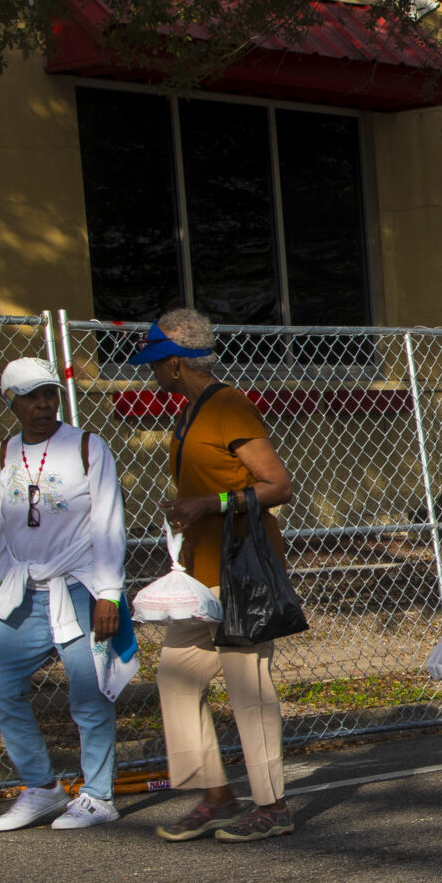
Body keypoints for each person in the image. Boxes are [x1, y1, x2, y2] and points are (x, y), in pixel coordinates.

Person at [130, 308, 300, 841]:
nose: (151, 374)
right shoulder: (186, 413)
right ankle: (217, 795)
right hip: (199, 576)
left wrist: (212, 502)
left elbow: (277, 485)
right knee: (176, 679)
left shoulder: (227, 405)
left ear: (176, 363)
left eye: (156, 364)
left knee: (248, 687)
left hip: (240, 569)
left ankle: (272, 805)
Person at [0, 358, 129, 831]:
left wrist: (109, 593)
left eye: (48, 394)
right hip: (24, 591)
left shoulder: (87, 446)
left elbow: (108, 521)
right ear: (11, 402)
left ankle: (99, 795)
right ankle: (41, 788)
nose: (42, 404)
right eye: (30, 396)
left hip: (81, 587)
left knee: (90, 692)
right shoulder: (1, 456)